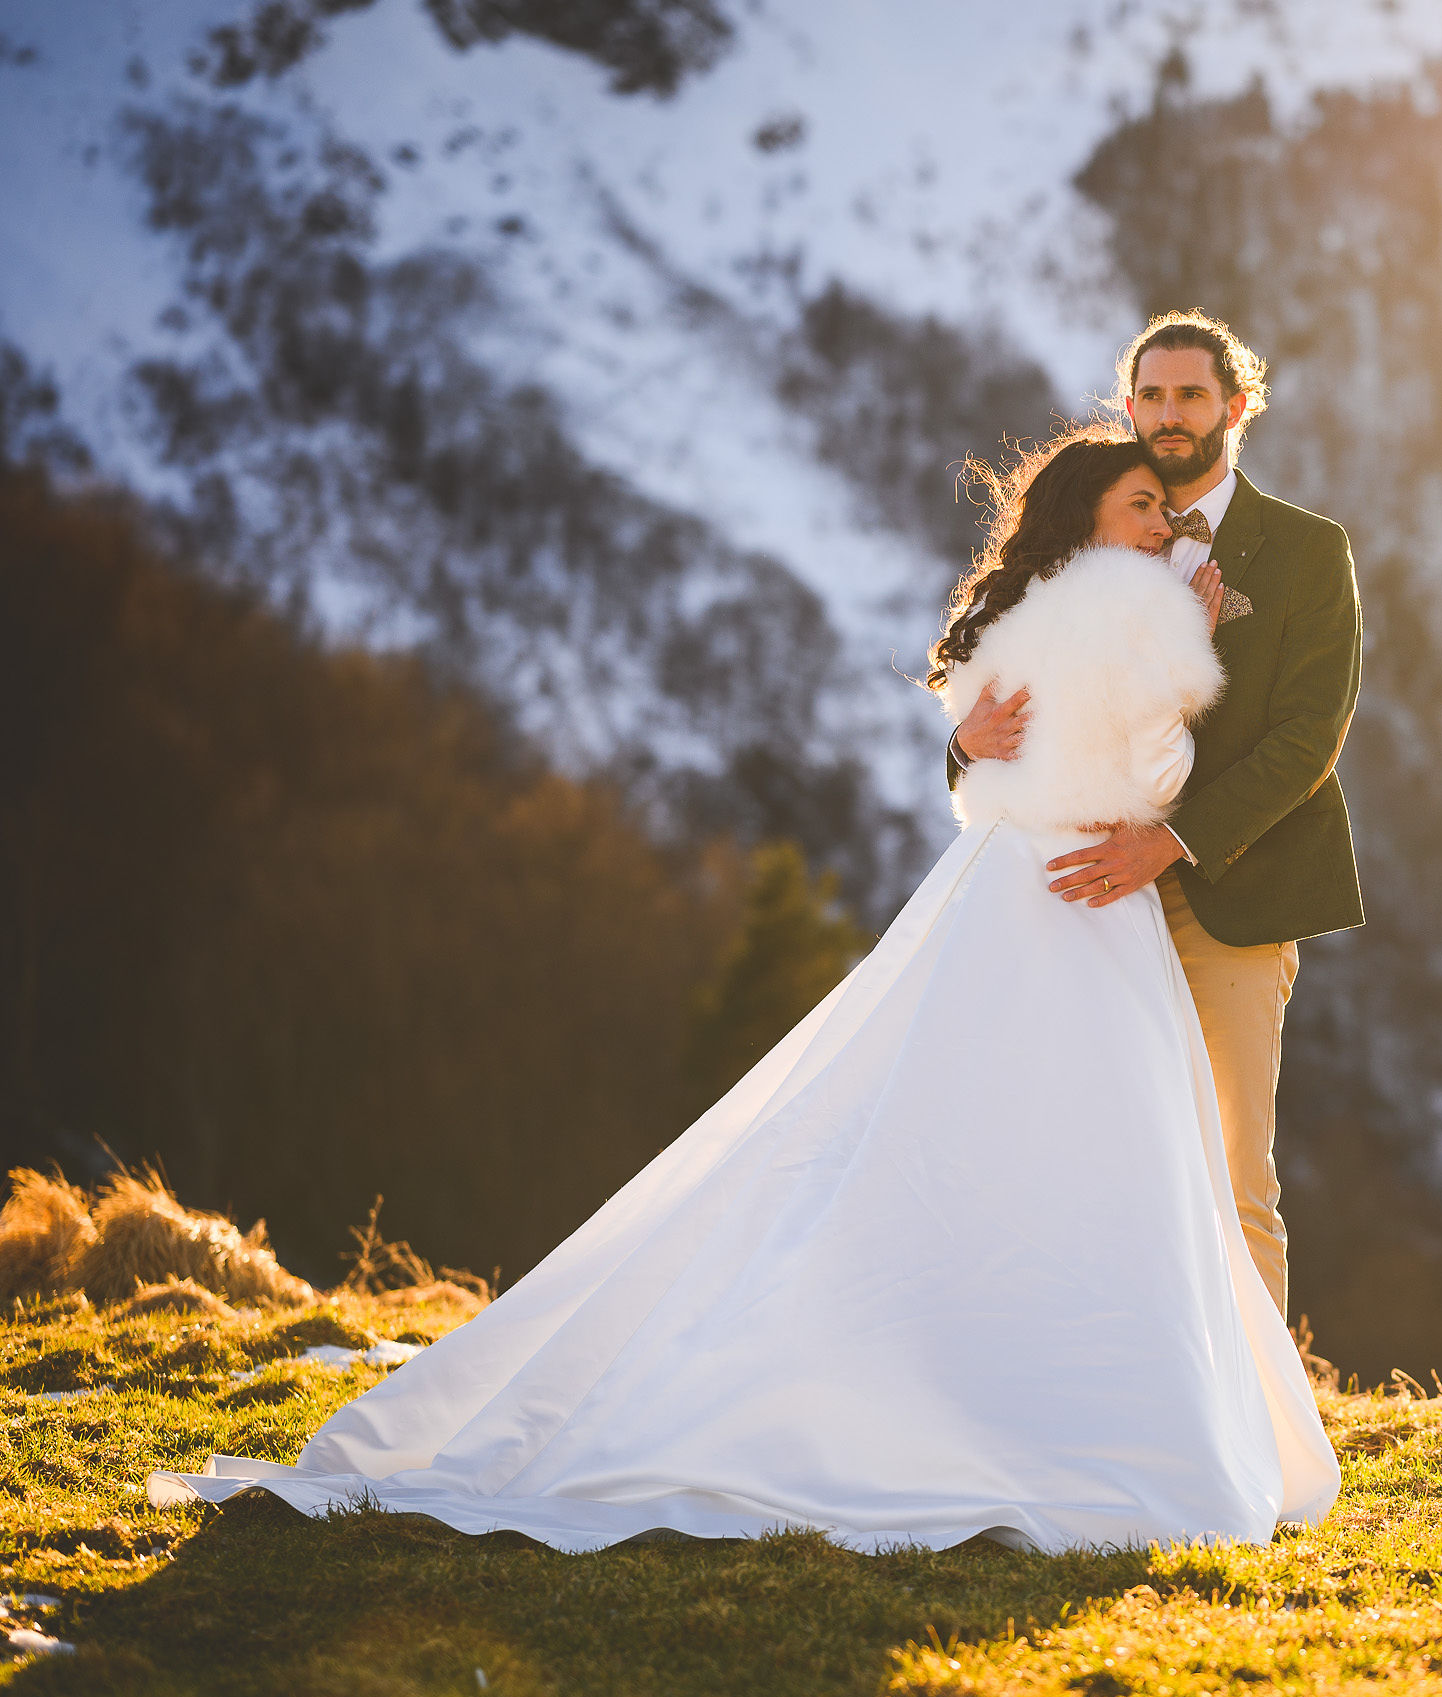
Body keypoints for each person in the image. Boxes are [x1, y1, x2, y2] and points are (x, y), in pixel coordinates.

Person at [149, 428, 1340, 1554]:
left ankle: (938, 1379)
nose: (1162, 518)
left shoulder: (1015, 612)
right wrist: (1185, 662)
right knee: (1107, 1156)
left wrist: (977, 749)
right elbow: (1154, 769)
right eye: (1140, 504)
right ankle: (1070, 1401)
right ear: (1093, 514)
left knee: (943, 1144)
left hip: (995, 892)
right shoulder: (1138, 617)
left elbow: (987, 750)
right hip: (1084, 904)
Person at [950, 311, 1364, 1317]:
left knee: (1230, 1174)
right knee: (1089, 1166)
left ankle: (1258, 1440)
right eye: (1152, 395)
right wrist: (963, 744)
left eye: (1191, 393)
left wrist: (1171, 839)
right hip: (1082, 905)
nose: (1170, 414)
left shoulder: (1307, 551)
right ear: (1127, 406)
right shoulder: (1090, 533)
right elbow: (997, 680)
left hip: (1230, 890)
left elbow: (1307, 740)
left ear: (1235, 404)